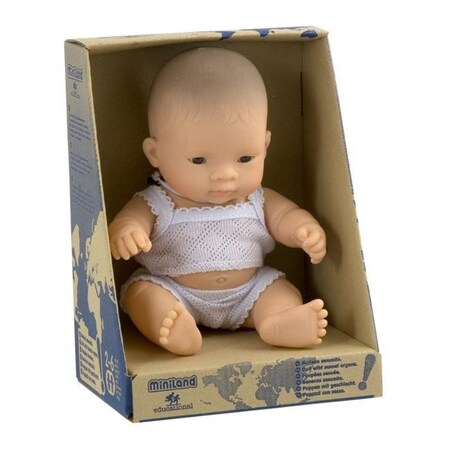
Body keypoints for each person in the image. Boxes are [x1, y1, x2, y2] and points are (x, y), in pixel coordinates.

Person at [108, 47, 328, 356]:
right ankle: (169, 328)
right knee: (142, 293)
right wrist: (126, 232)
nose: (226, 175)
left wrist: (303, 229)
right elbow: (128, 221)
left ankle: (277, 320)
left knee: (278, 290)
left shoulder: (256, 198)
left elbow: (284, 216)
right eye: (199, 160)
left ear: (265, 146)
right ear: (155, 154)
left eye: (245, 158)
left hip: (249, 292)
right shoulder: (158, 202)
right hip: (176, 291)